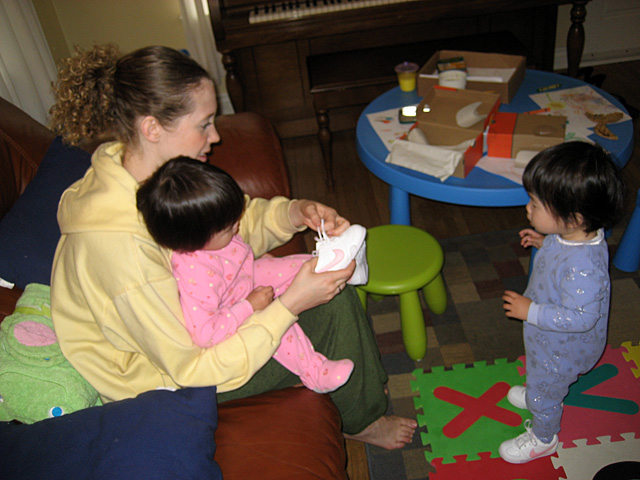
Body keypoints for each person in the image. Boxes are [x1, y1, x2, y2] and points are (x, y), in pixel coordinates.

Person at [49, 44, 417, 449]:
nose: (216, 136)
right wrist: (286, 307)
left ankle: (358, 393)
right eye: (204, 124)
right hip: (165, 381)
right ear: (152, 128)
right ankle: (361, 418)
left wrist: (295, 213)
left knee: (327, 289)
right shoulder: (122, 250)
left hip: (205, 321)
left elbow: (229, 230)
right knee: (328, 303)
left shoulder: (156, 172)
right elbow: (192, 367)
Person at [136, 156, 354, 393]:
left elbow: (234, 255)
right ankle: (315, 372)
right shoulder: (195, 274)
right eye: (229, 228)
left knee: (299, 267)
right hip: (236, 312)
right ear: (196, 239)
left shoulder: (209, 236)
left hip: (247, 278)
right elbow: (206, 333)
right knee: (279, 324)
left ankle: (337, 266)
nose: (237, 226)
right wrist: (249, 307)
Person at [499, 141, 625, 463]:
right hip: (549, 337)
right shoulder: (571, 236)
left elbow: (582, 318)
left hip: (564, 347)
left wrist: (531, 311)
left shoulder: (584, 267)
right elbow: (562, 250)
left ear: (574, 218)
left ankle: (543, 436)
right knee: (540, 374)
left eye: (536, 203)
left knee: (546, 387)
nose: (528, 208)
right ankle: (540, 390)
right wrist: (545, 241)